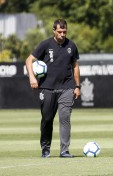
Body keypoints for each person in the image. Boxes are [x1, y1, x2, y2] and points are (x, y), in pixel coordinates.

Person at [25, 19, 81, 158]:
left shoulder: (71, 46)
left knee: (65, 117)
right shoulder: (46, 44)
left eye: (65, 32)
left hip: (67, 88)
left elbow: (75, 66)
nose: (62, 34)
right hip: (47, 88)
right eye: (60, 32)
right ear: (54, 30)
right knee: (47, 119)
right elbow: (28, 60)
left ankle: (64, 150)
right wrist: (32, 77)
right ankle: (45, 148)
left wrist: (77, 86)